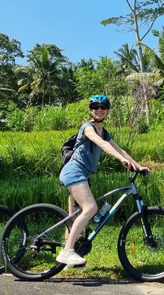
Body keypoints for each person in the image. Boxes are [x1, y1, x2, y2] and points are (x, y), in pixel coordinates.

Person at [56, 94, 147, 267]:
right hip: (74, 172)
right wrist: (121, 161)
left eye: (103, 107)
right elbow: (102, 145)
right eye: (95, 107)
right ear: (90, 110)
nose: (99, 110)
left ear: (107, 110)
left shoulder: (104, 132)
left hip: (82, 174)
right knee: (91, 208)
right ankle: (67, 252)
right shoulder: (87, 128)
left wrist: (138, 166)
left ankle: (70, 258)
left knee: (75, 216)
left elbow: (120, 150)